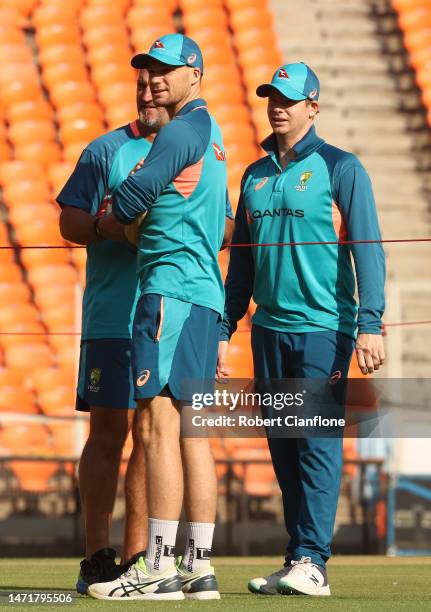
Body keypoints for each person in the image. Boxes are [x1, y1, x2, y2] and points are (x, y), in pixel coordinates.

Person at [218, 62, 386, 597]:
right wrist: (225, 327)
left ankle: (314, 559)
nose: (278, 106)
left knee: (315, 442)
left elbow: (368, 249)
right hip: (267, 331)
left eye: (289, 99)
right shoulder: (254, 174)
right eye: (272, 96)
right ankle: (297, 557)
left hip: (323, 330)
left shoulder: (342, 168)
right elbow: (240, 265)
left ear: (313, 107)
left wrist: (371, 324)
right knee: (284, 447)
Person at [87, 34, 234, 601]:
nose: (157, 79)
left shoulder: (177, 131)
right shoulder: (213, 132)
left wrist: (113, 218)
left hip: (169, 291)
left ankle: (158, 566)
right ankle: (198, 566)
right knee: (191, 435)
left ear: (194, 75)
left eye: (169, 69)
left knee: (156, 426)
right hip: (201, 294)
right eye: (151, 70)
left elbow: (130, 199)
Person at [57, 69, 169, 594]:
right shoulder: (105, 150)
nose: (147, 93)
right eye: (141, 85)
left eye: (157, 83)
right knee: (109, 435)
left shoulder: (194, 153)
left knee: (154, 440)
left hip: (167, 316)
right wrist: (109, 224)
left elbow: (226, 227)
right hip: (112, 318)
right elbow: (70, 222)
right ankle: (96, 556)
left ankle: (138, 558)